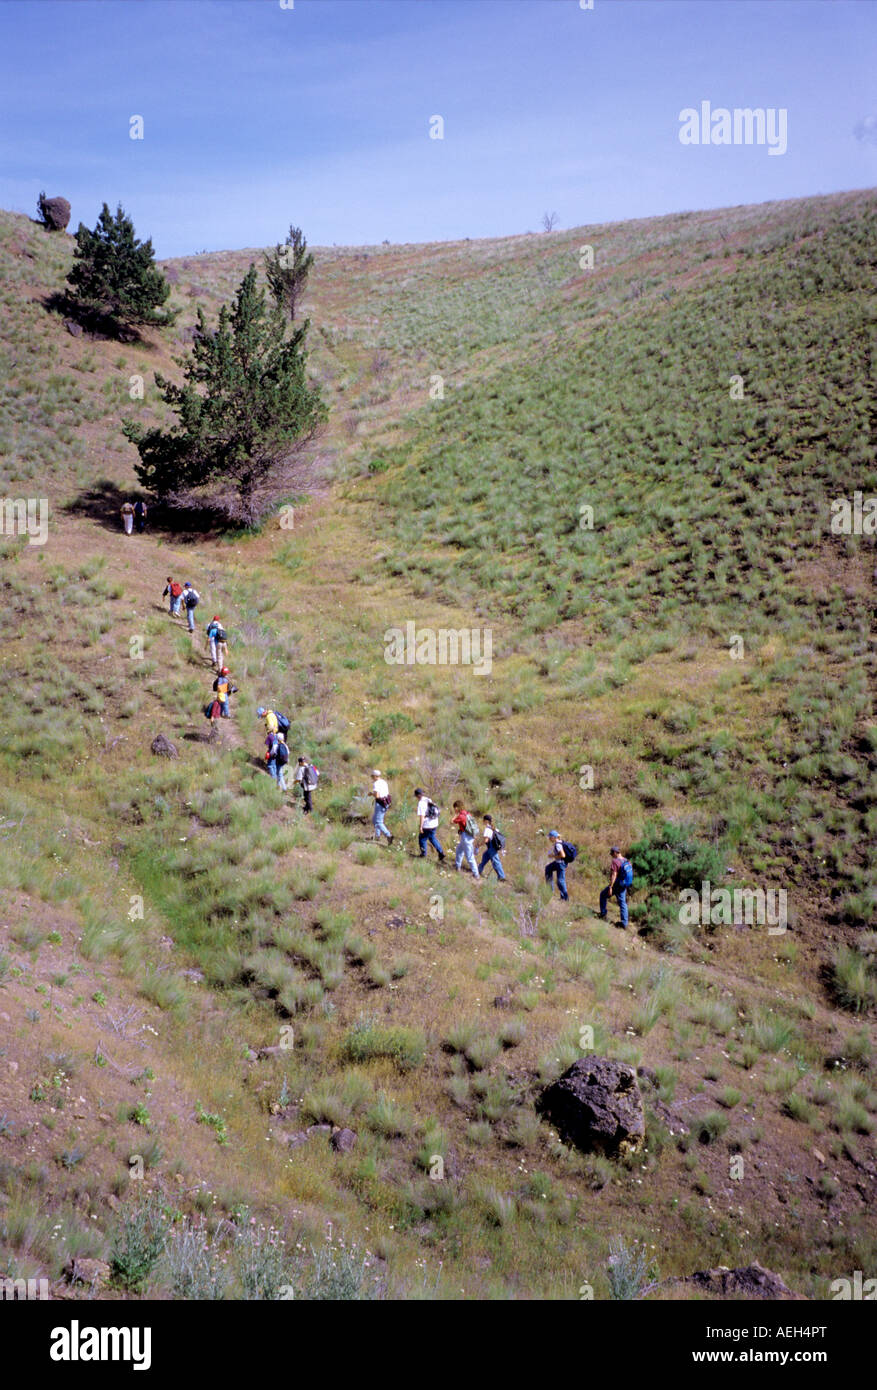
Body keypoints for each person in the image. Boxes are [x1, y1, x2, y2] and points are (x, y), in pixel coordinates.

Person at [599, 846, 632, 929]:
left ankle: (603, 914)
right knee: (622, 903)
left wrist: (610, 887)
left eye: (611, 853)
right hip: (623, 884)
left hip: (617, 885)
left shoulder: (615, 861)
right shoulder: (626, 860)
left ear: (615, 852)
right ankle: (624, 923)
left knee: (603, 895)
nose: (611, 855)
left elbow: (614, 875)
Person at [414, 788, 444, 862]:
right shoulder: (428, 799)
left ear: (417, 796)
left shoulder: (421, 803)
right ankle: (441, 852)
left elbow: (422, 816)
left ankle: (423, 854)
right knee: (432, 838)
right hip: (434, 823)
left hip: (427, 825)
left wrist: (421, 827)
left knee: (422, 839)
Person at [451, 800, 480, 878]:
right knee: (459, 850)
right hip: (468, 836)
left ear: (457, 807)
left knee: (469, 856)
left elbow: (452, 821)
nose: (454, 809)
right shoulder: (467, 813)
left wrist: (455, 815)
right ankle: (457, 866)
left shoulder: (460, 816)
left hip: (466, 837)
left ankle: (476, 874)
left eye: (455, 808)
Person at [545, 830, 572, 901]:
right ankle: (549, 891)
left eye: (550, 837)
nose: (549, 839)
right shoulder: (559, 842)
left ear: (553, 837)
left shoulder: (558, 844)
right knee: (548, 868)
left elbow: (563, 855)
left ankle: (565, 898)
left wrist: (553, 856)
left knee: (560, 880)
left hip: (560, 864)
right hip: (558, 863)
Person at [478, 814, 506, 881]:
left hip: (491, 848)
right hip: (492, 848)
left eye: (484, 820)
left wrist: (479, 845)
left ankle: (502, 877)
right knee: (485, 856)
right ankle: (478, 870)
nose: (483, 821)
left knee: (496, 862)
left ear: (486, 821)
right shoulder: (494, 828)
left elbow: (486, 840)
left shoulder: (487, 829)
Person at [371, 769, 393, 845]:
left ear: (375, 776)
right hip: (385, 802)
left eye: (372, 776)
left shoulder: (376, 784)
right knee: (374, 820)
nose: (371, 777)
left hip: (380, 803)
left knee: (378, 822)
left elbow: (377, 796)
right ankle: (377, 836)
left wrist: (371, 794)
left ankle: (388, 835)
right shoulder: (384, 782)